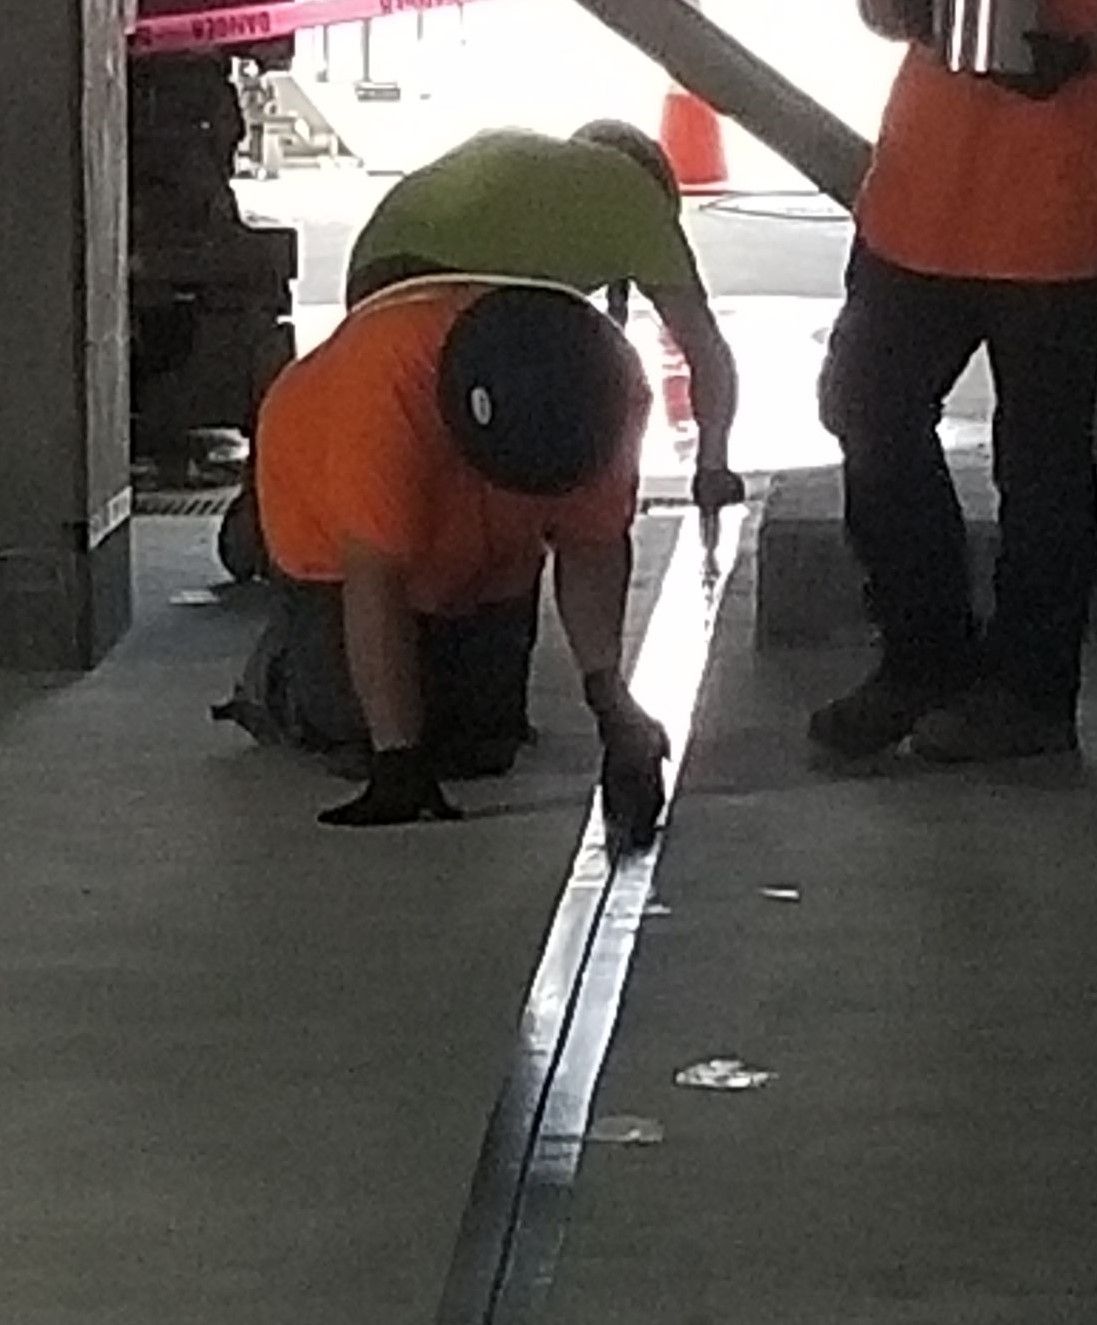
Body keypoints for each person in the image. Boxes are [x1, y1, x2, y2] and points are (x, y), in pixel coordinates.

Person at [809, 0, 1097, 763]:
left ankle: (1027, 693)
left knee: (1038, 456)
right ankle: (922, 656)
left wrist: (1087, 54)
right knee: (867, 404)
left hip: (1060, 208)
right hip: (919, 198)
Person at [216, 274, 669, 840]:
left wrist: (612, 703)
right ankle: (278, 674)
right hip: (326, 530)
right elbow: (373, 577)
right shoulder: (384, 382)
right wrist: (396, 764)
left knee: (479, 747)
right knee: (358, 730)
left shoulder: (608, 392)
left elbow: (593, 547)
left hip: (483, 546)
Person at [345, 120, 741, 510]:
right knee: (587, 427)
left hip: (370, 291)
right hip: (458, 310)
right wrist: (712, 467)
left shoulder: (510, 149)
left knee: (416, 477)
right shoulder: (639, 198)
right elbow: (705, 352)